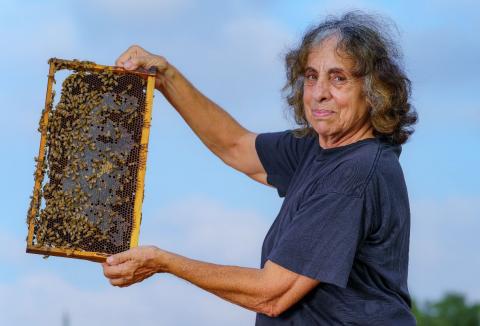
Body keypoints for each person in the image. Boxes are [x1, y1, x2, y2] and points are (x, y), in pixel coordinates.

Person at [102, 11, 418, 325]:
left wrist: (164, 262)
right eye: (311, 76)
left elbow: (272, 294)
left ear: (374, 90)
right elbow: (236, 146)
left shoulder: (353, 174)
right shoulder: (319, 148)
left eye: (338, 78)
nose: (319, 92)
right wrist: (165, 76)